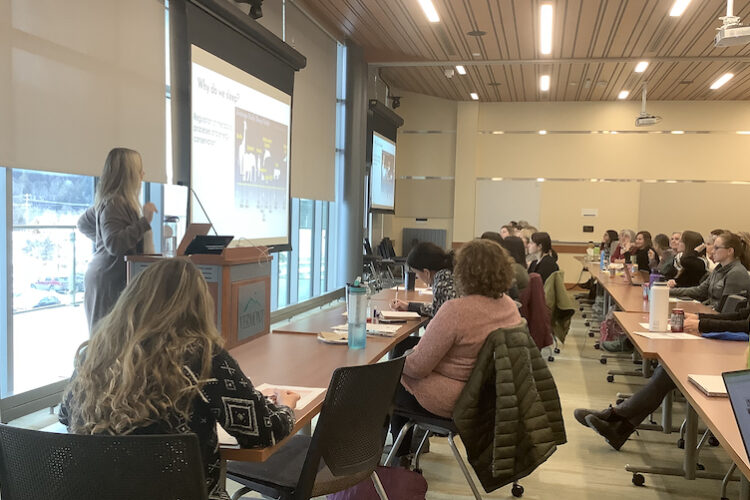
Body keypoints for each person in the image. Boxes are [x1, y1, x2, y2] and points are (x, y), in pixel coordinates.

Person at [59, 259, 298, 500]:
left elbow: (65, 415)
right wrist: (285, 407)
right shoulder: (203, 356)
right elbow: (263, 433)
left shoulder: (95, 354)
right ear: (198, 306)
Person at [574, 234, 750, 451]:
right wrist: (700, 319)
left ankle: (617, 417)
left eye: (717, 246)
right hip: (724, 336)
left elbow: (744, 323)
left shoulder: (738, 274)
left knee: (678, 367)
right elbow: (738, 313)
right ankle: (620, 427)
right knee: (668, 370)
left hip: (737, 348)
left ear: (731, 250)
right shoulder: (722, 271)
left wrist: (704, 323)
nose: (712, 250)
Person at [389, 239, 522, 459]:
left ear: (462, 272)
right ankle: (406, 450)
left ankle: (398, 458)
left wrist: (401, 360)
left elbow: (418, 368)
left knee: (393, 381)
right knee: (404, 360)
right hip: (492, 395)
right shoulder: (509, 306)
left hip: (459, 398)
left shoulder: (456, 311)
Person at [77, 148, 158, 332]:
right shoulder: (114, 203)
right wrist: (144, 222)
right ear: (128, 174)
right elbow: (114, 244)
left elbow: (84, 223)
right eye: (139, 170)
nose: (143, 175)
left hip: (109, 278)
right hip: (108, 281)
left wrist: (101, 242)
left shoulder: (114, 202)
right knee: (105, 344)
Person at [669, 232, 750, 309]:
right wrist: (669, 291)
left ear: (730, 251)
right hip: (710, 312)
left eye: (716, 248)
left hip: (718, 318)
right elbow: (699, 291)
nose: (712, 251)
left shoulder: (736, 273)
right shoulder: (718, 269)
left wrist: (699, 315)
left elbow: (725, 309)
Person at [390, 242, 456, 318]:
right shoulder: (448, 274)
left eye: (417, 273)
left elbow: (438, 316)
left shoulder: (442, 283)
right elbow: (436, 309)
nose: (417, 277)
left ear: (426, 273)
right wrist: (409, 306)